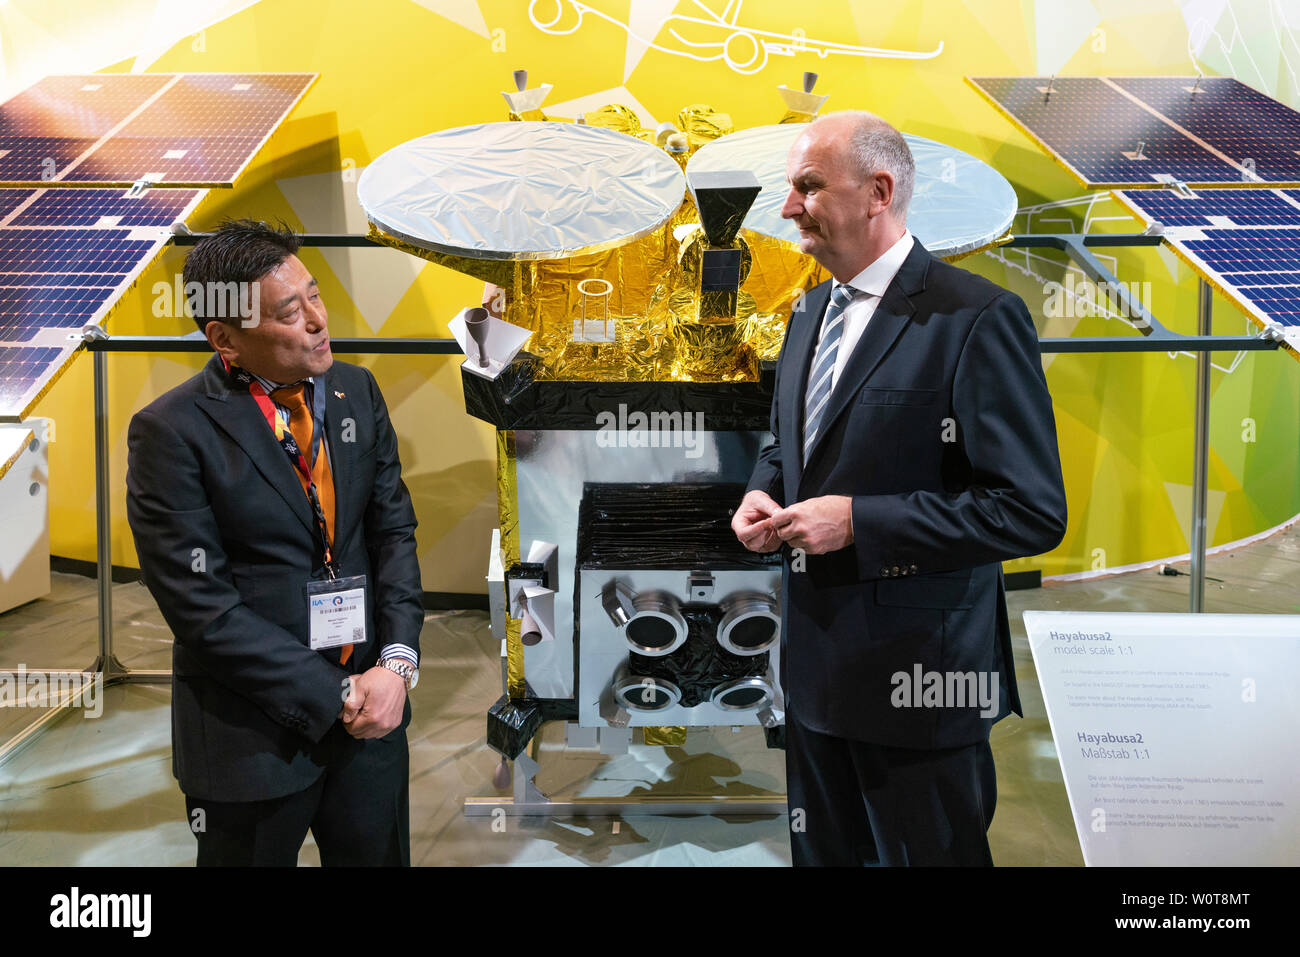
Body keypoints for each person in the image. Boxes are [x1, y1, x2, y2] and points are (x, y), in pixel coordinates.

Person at [732, 113, 1067, 866]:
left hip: (922, 687)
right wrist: (763, 489)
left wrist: (858, 522)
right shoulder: (810, 311)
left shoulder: (976, 319)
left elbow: (1030, 509)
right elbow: (791, 442)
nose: (787, 208)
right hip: (815, 675)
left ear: (878, 190)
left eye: (808, 187)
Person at [126, 220, 423, 866]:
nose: (319, 319)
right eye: (291, 311)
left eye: (315, 294)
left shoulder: (356, 392)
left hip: (373, 716)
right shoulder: (170, 434)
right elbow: (204, 610)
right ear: (225, 338)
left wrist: (396, 665)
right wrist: (336, 693)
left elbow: (392, 533)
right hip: (252, 742)